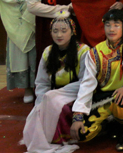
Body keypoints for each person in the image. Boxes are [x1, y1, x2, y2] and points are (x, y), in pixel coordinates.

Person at [70, 9, 123, 151]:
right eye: (108, 25)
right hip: (104, 98)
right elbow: (87, 84)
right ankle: (109, 125)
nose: (111, 29)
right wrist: (78, 115)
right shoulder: (95, 52)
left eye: (116, 25)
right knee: (83, 134)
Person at [21, 11, 89, 153]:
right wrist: (41, 102)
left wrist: (57, 95)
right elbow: (42, 82)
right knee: (40, 109)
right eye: (55, 31)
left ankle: (62, 138)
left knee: (56, 103)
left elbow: (85, 82)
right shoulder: (48, 51)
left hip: (76, 92)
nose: (59, 35)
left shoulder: (83, 51)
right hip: (51, 94)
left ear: (72, 32)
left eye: (64, 31)